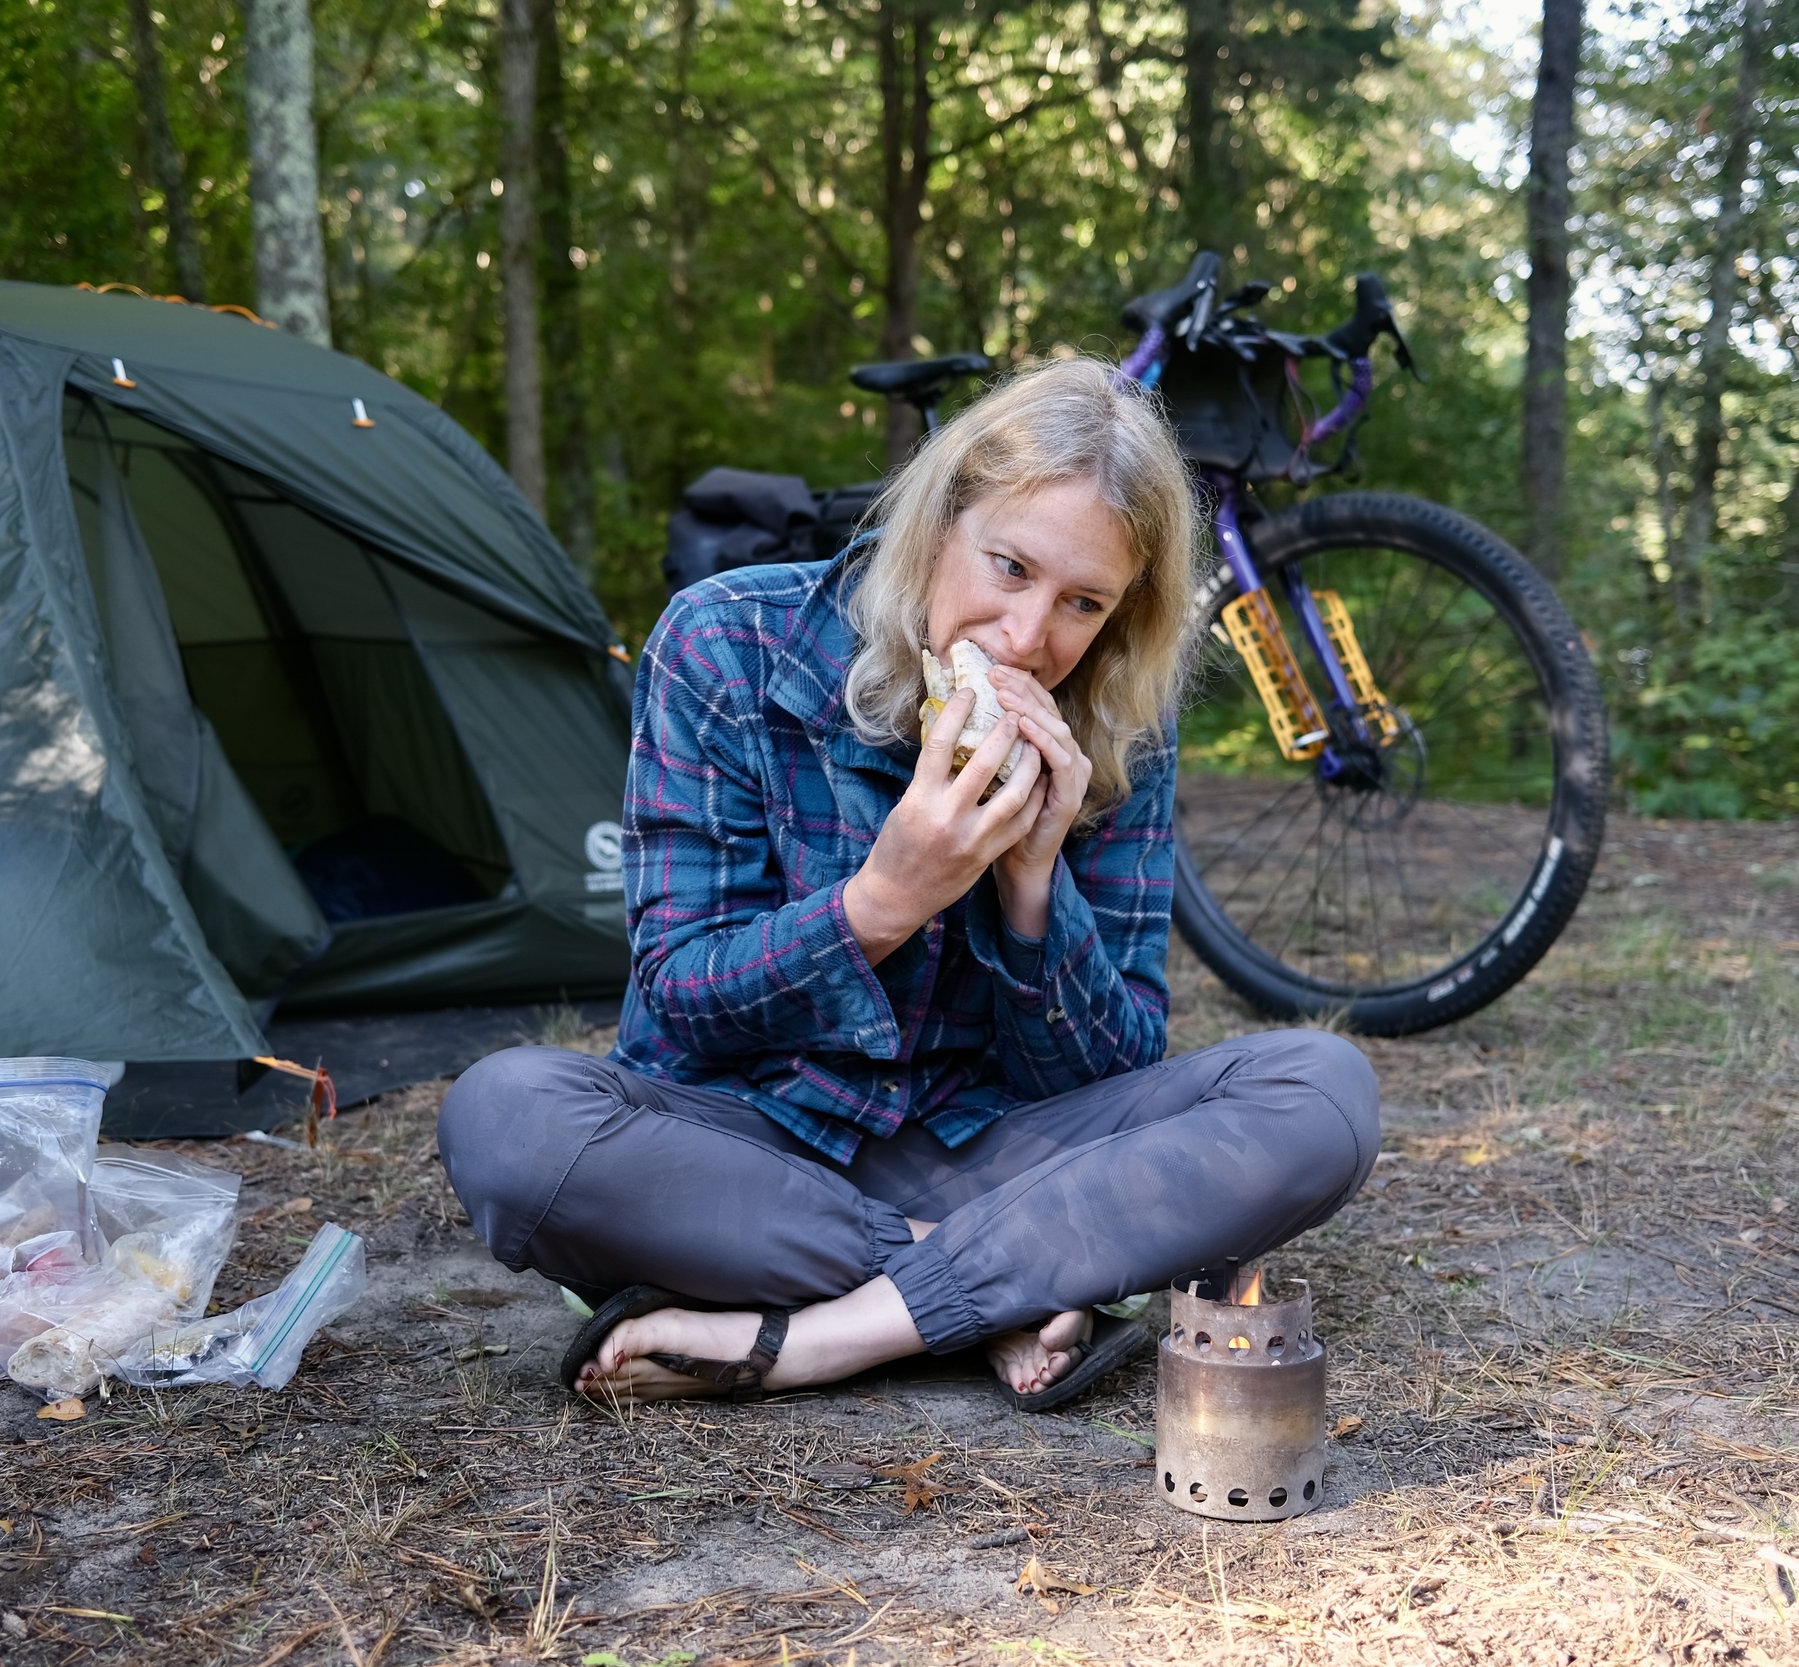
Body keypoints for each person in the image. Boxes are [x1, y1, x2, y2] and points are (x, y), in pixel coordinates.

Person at [438, 357, 1379, 1408]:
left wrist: (1033, 888)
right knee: (506, 1118)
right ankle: (996, 1280)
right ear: (937, 524)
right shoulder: (725, 642)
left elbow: (1109, 1072)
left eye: (1082, 602)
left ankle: (821, 1335)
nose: (1029, 638)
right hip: (749, 1149)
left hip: (989, 1150)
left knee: (1322, 1091)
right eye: (1009, 567)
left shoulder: (1121, 728)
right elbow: (678, 1003)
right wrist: (883, 899)